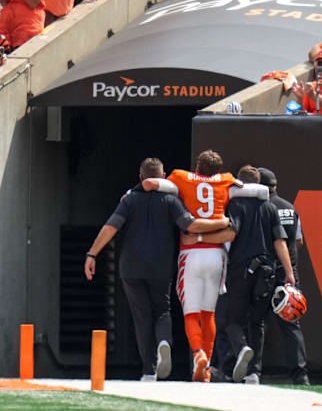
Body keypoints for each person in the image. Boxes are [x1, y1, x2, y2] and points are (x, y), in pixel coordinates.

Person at [84, 157, 231, 381]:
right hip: (161, 266)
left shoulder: (130, 200)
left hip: (130, 267)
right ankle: (164, 341)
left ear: (140, 177)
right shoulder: (171, 201)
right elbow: (191, 226)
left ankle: (148, 370)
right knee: (162, 311)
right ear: (163, 178)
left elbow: (111, 227)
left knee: (141, 317)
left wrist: (92, 254)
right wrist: (222, 223)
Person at [142, 150, 268, 382]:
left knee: (191, 313)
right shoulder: (226, 181)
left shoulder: (181, 177)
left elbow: (152, 184)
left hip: (191, 252)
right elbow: (260, 191)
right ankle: (206, 368)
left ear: (197, 168)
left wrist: (133, 192)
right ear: (218, 170)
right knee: (209, 313)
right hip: (216, 255)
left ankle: (198, 354)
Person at [184, 165, 295, 383]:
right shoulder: (269, 207)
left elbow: (231, 232)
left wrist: (199, 240)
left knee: (231, 320)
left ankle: (242, 347)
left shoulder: (236, 204)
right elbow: (280, 242)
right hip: (267, 271)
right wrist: (289, 273)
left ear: (240, 183)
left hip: (241, 270)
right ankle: (254, 373)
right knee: (257, 322)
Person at [241, 167, 309, 385]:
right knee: (291, 324)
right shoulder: (290, 208)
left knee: (256, 322)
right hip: (287, 273)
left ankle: (254, 372)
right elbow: (298, 241)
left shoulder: (261, 208)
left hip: (264, 272)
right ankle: (301, 375)